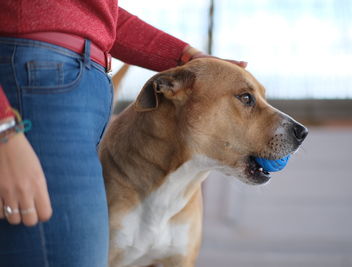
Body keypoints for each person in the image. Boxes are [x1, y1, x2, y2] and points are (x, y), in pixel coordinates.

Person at [0, 1, 246, 266]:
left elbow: (96, 14)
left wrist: (186, 58)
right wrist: (4, 130)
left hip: (73, 86)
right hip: (35, 80)